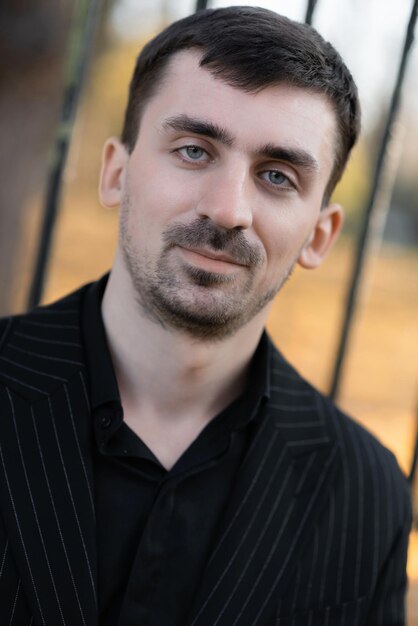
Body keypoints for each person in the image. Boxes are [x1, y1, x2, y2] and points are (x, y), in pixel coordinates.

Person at [0, 6, 411, 626]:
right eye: (193, 150)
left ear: (320, 236)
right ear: (116, 172)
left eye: (276, 175)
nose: (227, 210)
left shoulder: (365, 494)